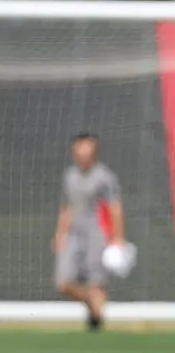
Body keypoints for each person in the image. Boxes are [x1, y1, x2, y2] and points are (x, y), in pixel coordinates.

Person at [52, 133, 125, 331]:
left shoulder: (105, 177)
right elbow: (66, 208)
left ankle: (96, 321)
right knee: (64, 282)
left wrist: (118, 238)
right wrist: (60, 234)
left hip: (96, 232)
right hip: (73, 232)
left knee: (95, 281)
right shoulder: (70, 176)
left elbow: (114, 208)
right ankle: (95, 308)